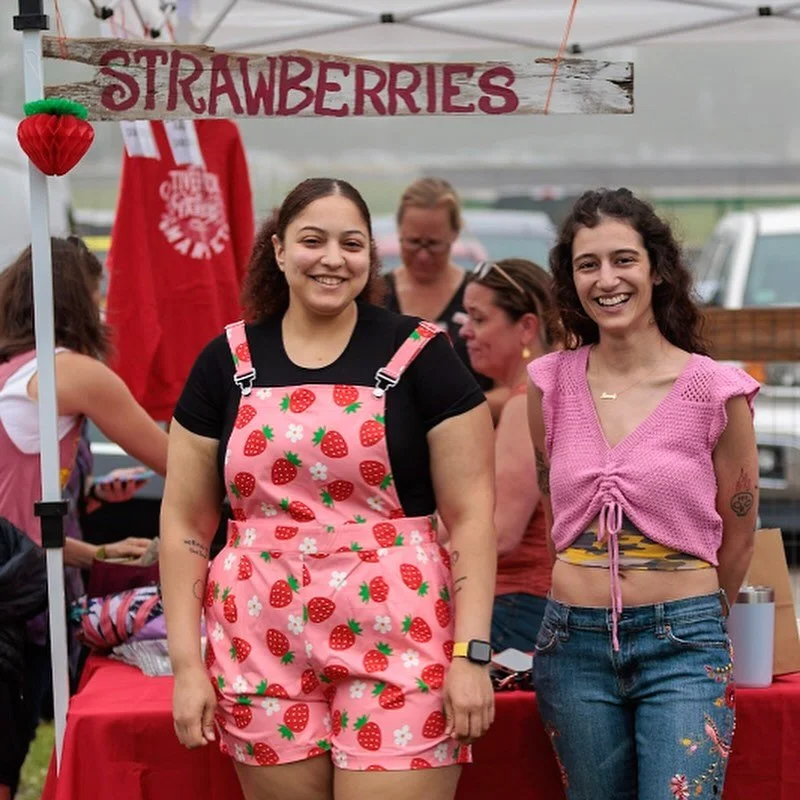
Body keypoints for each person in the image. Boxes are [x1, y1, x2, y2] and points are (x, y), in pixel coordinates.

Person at [161, 177, 497, 800]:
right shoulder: (225, 361)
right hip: (257, 641)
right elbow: (185, 524)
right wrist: (187, 666)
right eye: (313, 240)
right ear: (279, 249)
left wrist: (470, 654)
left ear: (371, 255)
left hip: (401, 639)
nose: (333, 259)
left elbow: (473, 517)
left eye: (352, 244)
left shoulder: (421, 355)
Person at [527, 188, 759, 800]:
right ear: (572, 280)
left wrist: (698, 618)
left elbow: (740, 533)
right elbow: (555, 513)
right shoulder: (549, 383)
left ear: (657, 269)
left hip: (683, 645)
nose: (607, 279)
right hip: (570, 643)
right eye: (588, 264)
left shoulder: (715, 391)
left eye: (623, 259)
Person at [0, 236, 169, 780]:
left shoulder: (12, 368)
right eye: (98, 296)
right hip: (14, 598)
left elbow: (18, 510)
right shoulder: (69, 372)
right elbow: (177, 460)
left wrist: (93, 529)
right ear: (78, 298)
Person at [459, 258, 558, 653]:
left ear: (527, 327)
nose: (465, 330)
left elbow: (500, 532)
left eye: (479, 318)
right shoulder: (537, 394)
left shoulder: (524, 405)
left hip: (515, 609)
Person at [382, 178, 498, 402]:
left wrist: (455, 410)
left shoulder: (483, 295)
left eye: (434, 244)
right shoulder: (375, 294)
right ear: (399, 232)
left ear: (454, 234)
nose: (423, 255)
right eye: (413, 242)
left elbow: (512, 386)